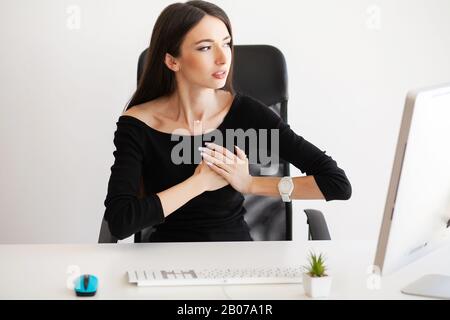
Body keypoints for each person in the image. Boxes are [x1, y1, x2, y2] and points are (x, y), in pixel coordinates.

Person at [103, 0, 352, 242]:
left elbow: (336, 184)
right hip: (166, 258)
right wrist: (199, 183)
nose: (224, 58)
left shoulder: (247, 113)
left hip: (235, 254)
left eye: (227, 43)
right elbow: (120, 220)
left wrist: (251, 184)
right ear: (172, 61)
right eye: (205, 47)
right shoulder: (137, 124)